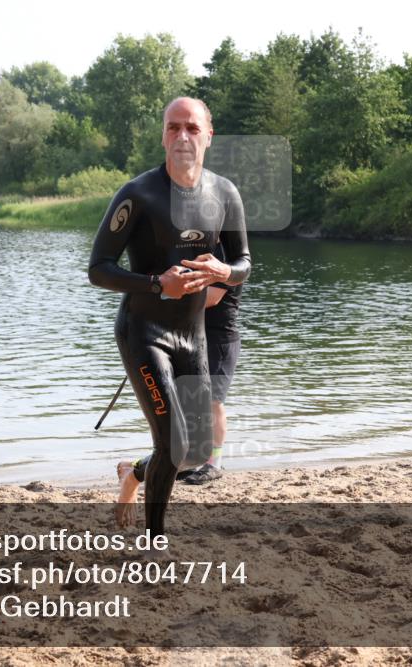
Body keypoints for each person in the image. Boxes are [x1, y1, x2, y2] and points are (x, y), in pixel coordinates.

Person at [88, 97, 251, 535]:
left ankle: (132, 475)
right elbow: (98, 269)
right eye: (174, 127)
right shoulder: (138, 194)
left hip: (192, 336)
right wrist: (159, 284)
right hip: (144, 331)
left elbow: (244, 263)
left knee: (195, 452)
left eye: (192, 128)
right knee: (172, 443)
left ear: (208, 136)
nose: (183, 137)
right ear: (163, 134)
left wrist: (224, 272)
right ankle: (154, 542)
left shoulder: (225, 194)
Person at [115, 259, 243, 525]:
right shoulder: (189, 250)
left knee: (213, 402)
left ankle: (213, 463)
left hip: (217, 338)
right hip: (183, 337)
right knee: (175, 431)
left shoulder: (222, 254)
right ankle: (135, 470)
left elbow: (213, 298)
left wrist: (161, 294)